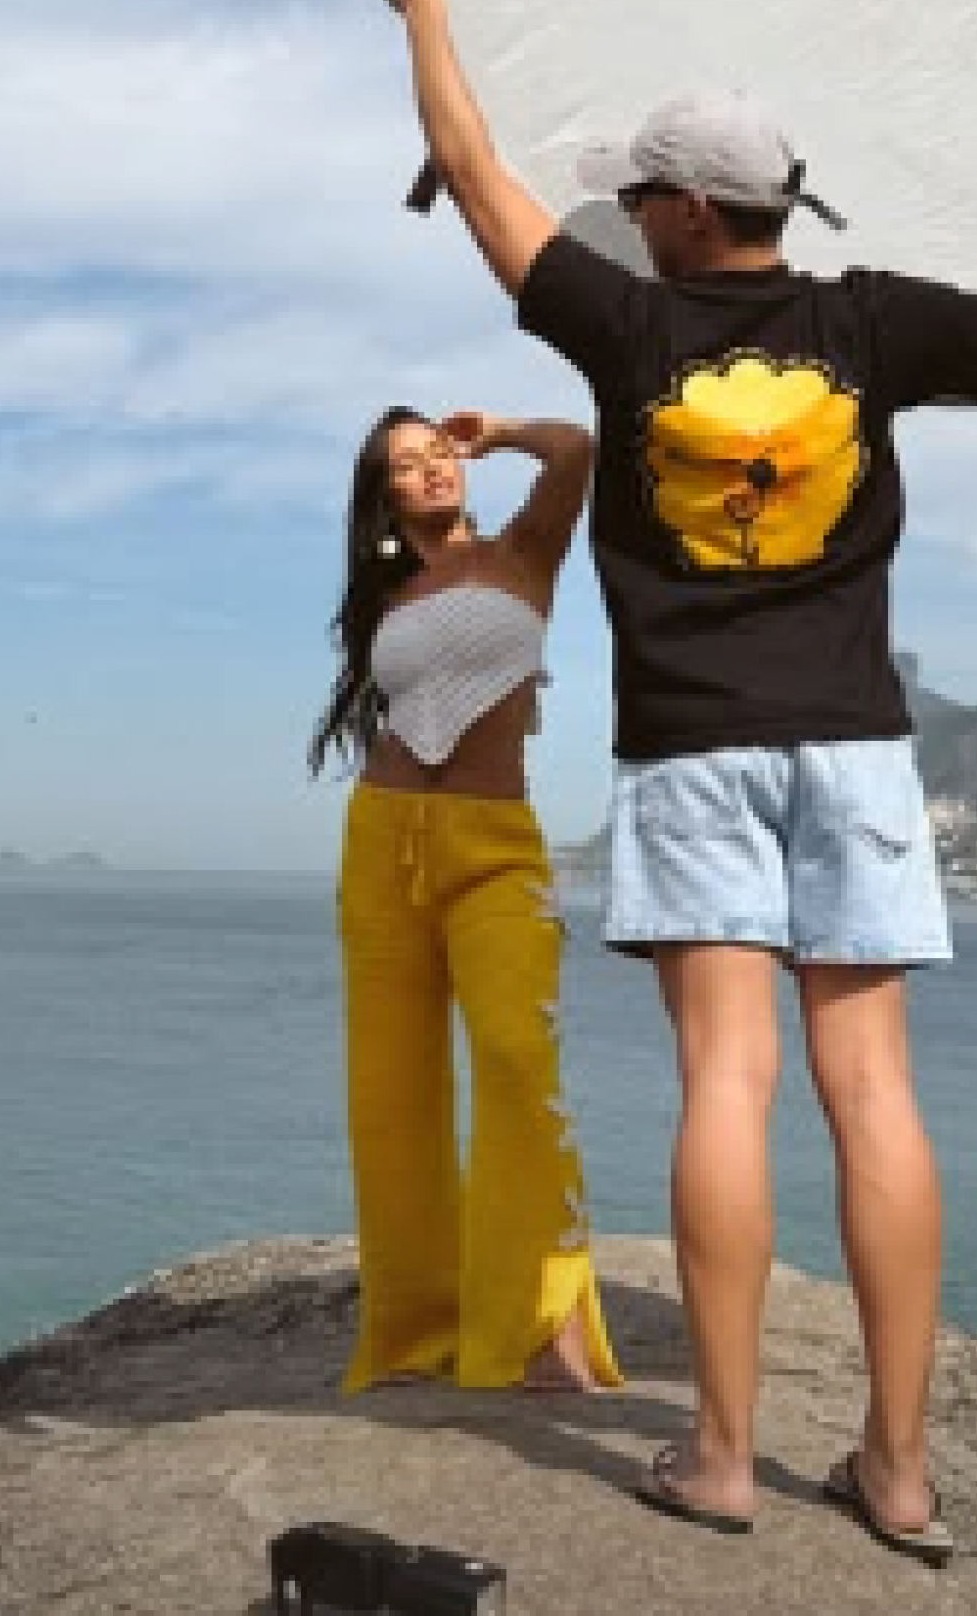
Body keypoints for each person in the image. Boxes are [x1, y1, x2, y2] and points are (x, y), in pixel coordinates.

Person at [375, 0, 977, 1561]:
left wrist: (428, 7)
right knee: (874, 1092)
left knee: (725, 1080)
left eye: (640, 198)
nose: (624, 216)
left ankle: (729, 1453)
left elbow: (472, 173)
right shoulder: (877, 324)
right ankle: (899, 1470)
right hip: (856, 751)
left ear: (690, 210)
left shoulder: (623, 330)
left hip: (693, 751)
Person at [311, 401, 623, 1399]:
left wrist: (499, 431)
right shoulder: (384, 589)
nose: (433, 467)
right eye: (408, 462)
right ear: (385, 494)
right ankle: (414, 1327)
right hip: (381, 842)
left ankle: (544, 1319)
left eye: (439, 452)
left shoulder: (525, 550)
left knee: (516, 1059)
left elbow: (578, 449)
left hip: (496, 845)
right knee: (388, 1094)